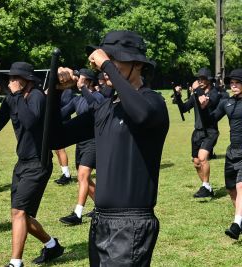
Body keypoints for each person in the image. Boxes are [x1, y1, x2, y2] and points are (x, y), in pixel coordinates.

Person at [50, 30, 169, 266]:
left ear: (137, 64)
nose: (105, 67)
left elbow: (141, 115)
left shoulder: (152, 101)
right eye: (106, 59)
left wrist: (106, 64)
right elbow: (55, 138)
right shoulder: (104, 109)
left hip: (131, 224)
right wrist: (55, 93)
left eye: (115, 59)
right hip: (101, 221)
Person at [0, 62, 64, 267]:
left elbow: (31, 123)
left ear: (27, 80)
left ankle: (15, 262)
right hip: (22, 162)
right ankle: (51, 246)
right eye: (10, 79)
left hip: (38, 163)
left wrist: (14, 96)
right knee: (21, 214)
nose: (10, 82)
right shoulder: (13, 99)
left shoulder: (38, 97)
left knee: (18, 213)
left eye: (15, 78)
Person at [59, 68, 103, 226]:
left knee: (83, 176)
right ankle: (102, 207)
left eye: (82, 79)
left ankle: (77, 214)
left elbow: (95, 106)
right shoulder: (77, 100)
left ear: (90, 82)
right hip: (81, 142)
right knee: (84, 178)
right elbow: (62, 113)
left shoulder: (98, 96)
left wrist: (83, 88)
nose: (78, 81)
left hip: (94, 142)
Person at [174, 67, 221, 198]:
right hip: (198, 132)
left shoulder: (214, 94)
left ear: (209, 80)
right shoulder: (196, 94)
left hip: (210, 131)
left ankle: (205, 185)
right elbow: (183, 109)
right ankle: (207, 187)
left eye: (203, 79)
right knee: (196, 162)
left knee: (202, 158)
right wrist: (177, 95)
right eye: (199, 79)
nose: (200, 81)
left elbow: (204, 104)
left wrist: (196, 90)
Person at [209, 69, 242, 240]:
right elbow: (211, 118)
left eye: (237, 82)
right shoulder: (227, 102)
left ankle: (236, 224)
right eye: (232, 83)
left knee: (240, 186)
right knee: (231, 189)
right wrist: (203, 105)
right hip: (232, 151)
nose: (233, 85)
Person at [54, 88, 74, 185]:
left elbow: (66, 105)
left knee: (60, 149)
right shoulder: (58, 89)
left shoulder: (67, 91)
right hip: (56, 121)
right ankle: (64, 173)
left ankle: (67, 175)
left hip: (63, 122)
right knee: (57, 150)